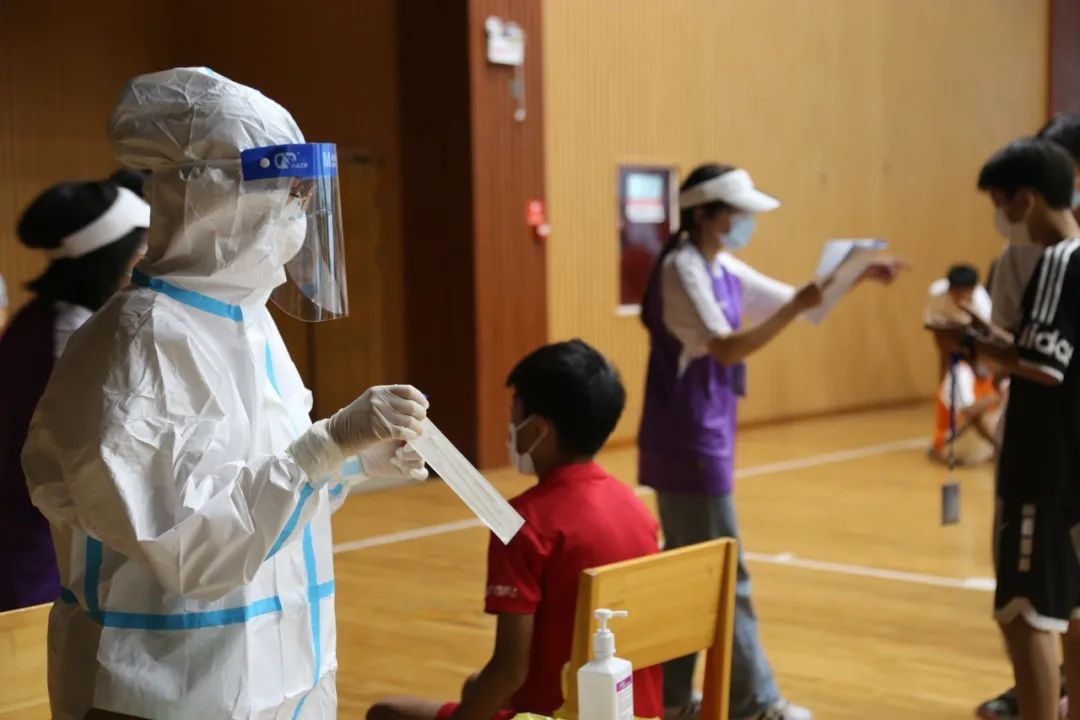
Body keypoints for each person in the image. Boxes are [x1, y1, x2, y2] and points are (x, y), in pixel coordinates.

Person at [21, 67, 430, 720]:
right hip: (163, 690)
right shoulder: (142, 341)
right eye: (283, 193)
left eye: (303, 196)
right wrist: (326, 446)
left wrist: (350, 462)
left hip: (280, 672)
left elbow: (266, 481)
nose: (297, 214)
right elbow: (193, 550)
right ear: (211, 198)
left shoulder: (247, 320)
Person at [637, 163, 904, 720]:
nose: (745, 222)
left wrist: (857, 272)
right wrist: (797, 306)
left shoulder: (720, 265)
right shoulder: (683, 268)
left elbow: (804, 302)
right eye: (737, 212)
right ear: (707, 215)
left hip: (705, 432)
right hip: (688, 438)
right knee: (724, 573)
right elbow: (728, 347)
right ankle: (753, 702)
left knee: (690, 572)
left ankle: (674, 698)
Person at [368, 340, 664, 720]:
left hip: (556, 716)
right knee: (475, 688)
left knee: (386, 712)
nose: (510, 425)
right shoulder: (636, 509)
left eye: (515, 412)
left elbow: (510, 671)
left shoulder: (523, 524)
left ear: (539, 428)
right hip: (633, 711)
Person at [949, 138, 1080, 720]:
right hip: (1071, 465)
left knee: (1026, 616)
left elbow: (1044, 366)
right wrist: (998, 342)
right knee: (1072, 611)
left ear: (1026, 200)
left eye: (1001, 204)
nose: (1001, 218)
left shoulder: (1058, 260)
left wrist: (974, 346)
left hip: (1042, 468)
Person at [0, 172, 151, 613]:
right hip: (38, 551)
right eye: (140, 250)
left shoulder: (42, 316)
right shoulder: (73, 335)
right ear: (114, 258)